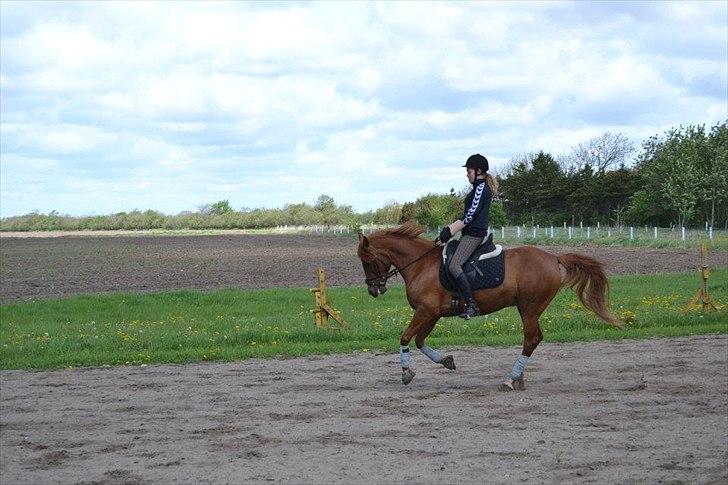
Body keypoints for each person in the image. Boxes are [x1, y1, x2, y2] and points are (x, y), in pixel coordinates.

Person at [437, 153, 498, 319]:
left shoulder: (480, 189)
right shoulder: (477, 188)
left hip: (474, 235)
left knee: (454, 265)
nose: (467, 174)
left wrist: (449, 231)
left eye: (469, 171)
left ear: (478, 171)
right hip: (468, 234)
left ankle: (472, 304)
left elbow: (469, 215)